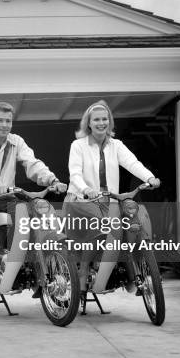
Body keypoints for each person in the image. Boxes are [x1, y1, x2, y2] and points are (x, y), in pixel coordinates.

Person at [0, 101, 67, 285]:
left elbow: (32, 163)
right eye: (0, 120)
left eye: (8, 121)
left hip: (7, 196)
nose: (4, 125)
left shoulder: (16, 141)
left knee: (29, 215)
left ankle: (21, 261)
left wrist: (52, 180)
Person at [63, 100, 160, 292]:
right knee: (101, 224)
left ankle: (133, 274)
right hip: (81, 200)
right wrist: (86, 189)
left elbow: (132, 163)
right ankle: (83, 271)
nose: (101, 123)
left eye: (105, 119)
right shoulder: (78, 145)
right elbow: (75, 174)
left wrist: (149, 177)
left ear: (110, 122)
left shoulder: (116, 145)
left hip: (109, 201)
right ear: (88, 123)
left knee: (131, 223)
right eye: (96, 119)